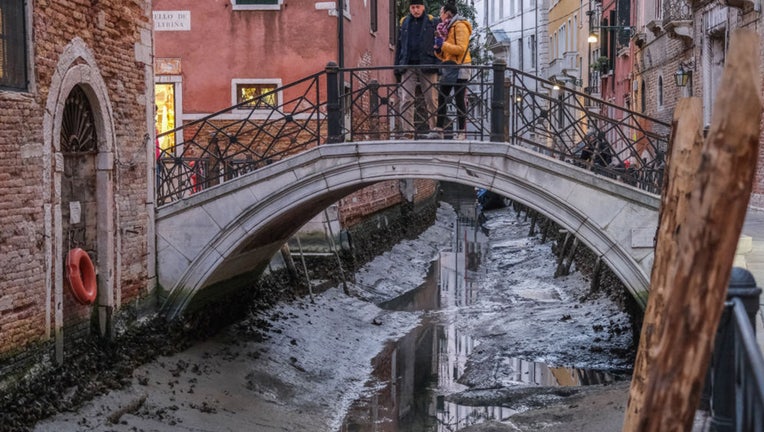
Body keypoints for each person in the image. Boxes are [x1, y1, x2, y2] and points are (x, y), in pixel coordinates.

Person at [394, 0, 440, 138]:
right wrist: (397, 66)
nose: (415, 10)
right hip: (408, 64)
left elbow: (439, 44)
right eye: (413, 7)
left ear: (423, 7)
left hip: (428, 63)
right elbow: (399, 46)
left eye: (417, 7)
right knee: (406, 99)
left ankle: (435, 130)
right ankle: (408, 132)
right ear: (410, 8)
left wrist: (438, 65)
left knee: (431, 99)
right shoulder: (404, 23)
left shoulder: (433, 22)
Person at [433, 2, 472, 140]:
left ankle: (461, 132)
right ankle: (439, 129)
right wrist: (438, 49)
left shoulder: (460, 26)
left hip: (461, 66)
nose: (440, 15)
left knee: (459, 98)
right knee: (442, 96)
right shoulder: (447, 27)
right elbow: (446, 54)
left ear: (448, 13)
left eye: (441, 12)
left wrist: (443, 44)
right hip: (450, 66)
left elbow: (461, 48)